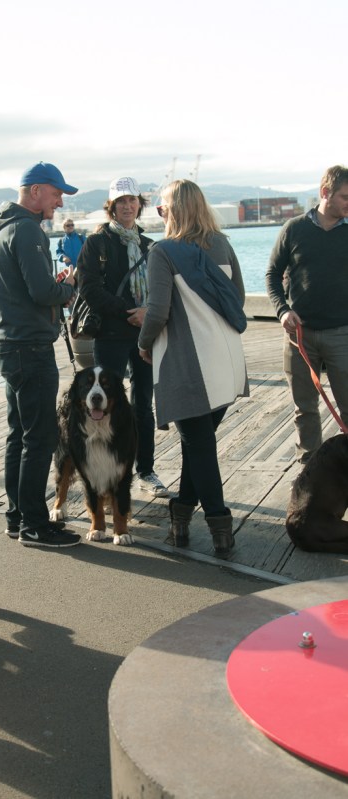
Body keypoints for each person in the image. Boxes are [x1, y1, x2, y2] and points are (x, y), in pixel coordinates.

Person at [138, 179, 248, 558]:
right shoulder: (223, 244)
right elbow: (239, 298)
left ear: (173, 210)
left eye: (161, 207)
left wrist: (143, 343)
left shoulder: (163, 252)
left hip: (189, 365)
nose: (159, 214)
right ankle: (180, 515)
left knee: (199, 446)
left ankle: (220, 527)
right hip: (228, 362)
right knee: (197, 446)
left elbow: (157, 311)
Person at [0, 161, 81, 548]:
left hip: (9, 345)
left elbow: (27, 289)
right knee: (40, 439)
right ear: (37, 190)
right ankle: (34, 525)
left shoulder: (3, 230)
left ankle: (17, 517)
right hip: (30, 348)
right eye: (57, 193)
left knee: (19, 437)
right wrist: (69, 286)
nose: (59, 202)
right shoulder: (28, 231)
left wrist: (51, 288)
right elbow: (43, 294)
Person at [76, 177, 168, 497]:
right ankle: (111, 470)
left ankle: (146, 469)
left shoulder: (149, 245)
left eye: (132, 201)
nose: (127, 206)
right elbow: (89, 288)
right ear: (111, 207)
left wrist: (148, 314)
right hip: (111, 334)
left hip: (144, 334)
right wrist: (129, 311)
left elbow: (161, 288)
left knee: (143, 406)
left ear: (139, 205)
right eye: (121, 202)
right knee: (108, 407)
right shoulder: (97, 243)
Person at [266, 164, 348, 464]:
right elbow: (273, 274)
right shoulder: (294, 228)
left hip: (343, 333)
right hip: (299, 334)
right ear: (325, 193)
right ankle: (310, 473)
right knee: (305, 408)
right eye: (345, 197)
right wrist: (282, 310)